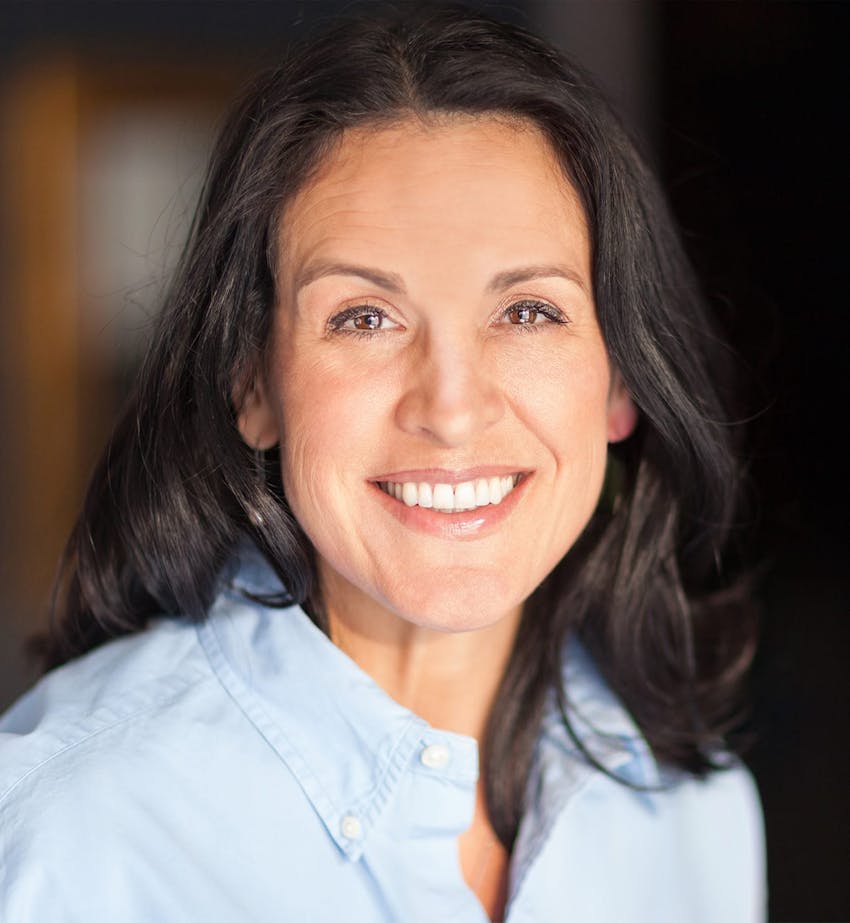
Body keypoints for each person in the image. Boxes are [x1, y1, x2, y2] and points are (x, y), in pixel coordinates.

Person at [0, 5, 765, 921]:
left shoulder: (687, 811)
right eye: (363, 317)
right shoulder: (72, 836)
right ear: (254, 385)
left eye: (527, 311)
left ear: (619, 382)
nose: (451, 409)